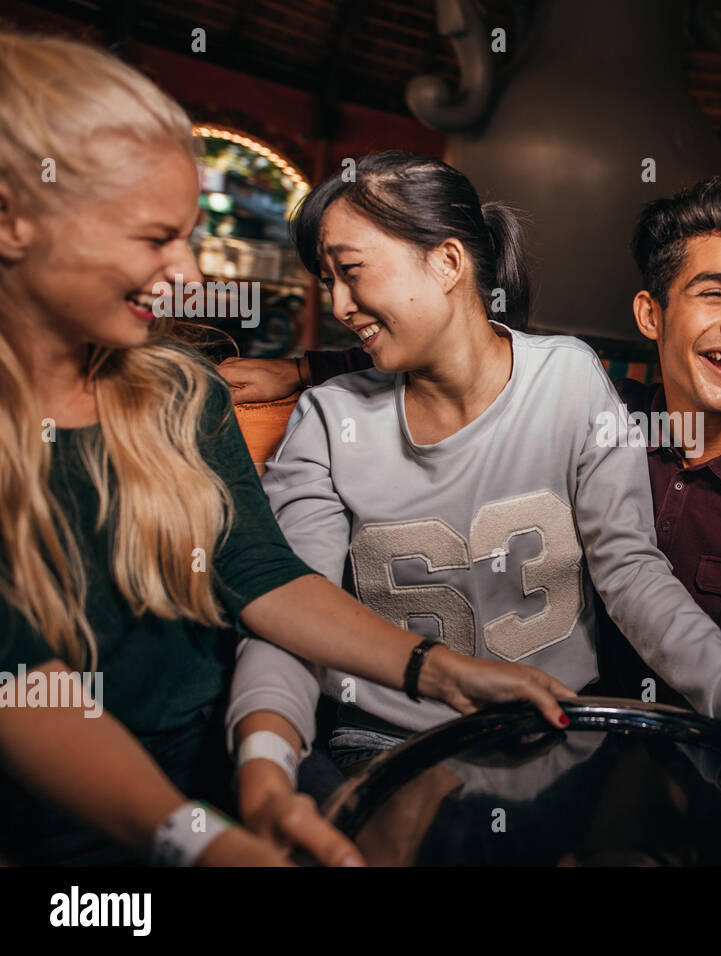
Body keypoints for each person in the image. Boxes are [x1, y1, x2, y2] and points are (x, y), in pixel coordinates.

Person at [239, 176, 721, 865]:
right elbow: (462, 360)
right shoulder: (610, 419)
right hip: (617, 770)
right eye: (714, 294)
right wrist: (307, 370)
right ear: (652, 314)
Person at [0, 31, 570, 868]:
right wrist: (194, 842)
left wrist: (444, 673)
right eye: (154, 237)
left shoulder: (178, 391)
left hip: (214, 773)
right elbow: (20, 684)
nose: (188, 274)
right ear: (14, 219)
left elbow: (260, 575)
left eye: (188, 235)